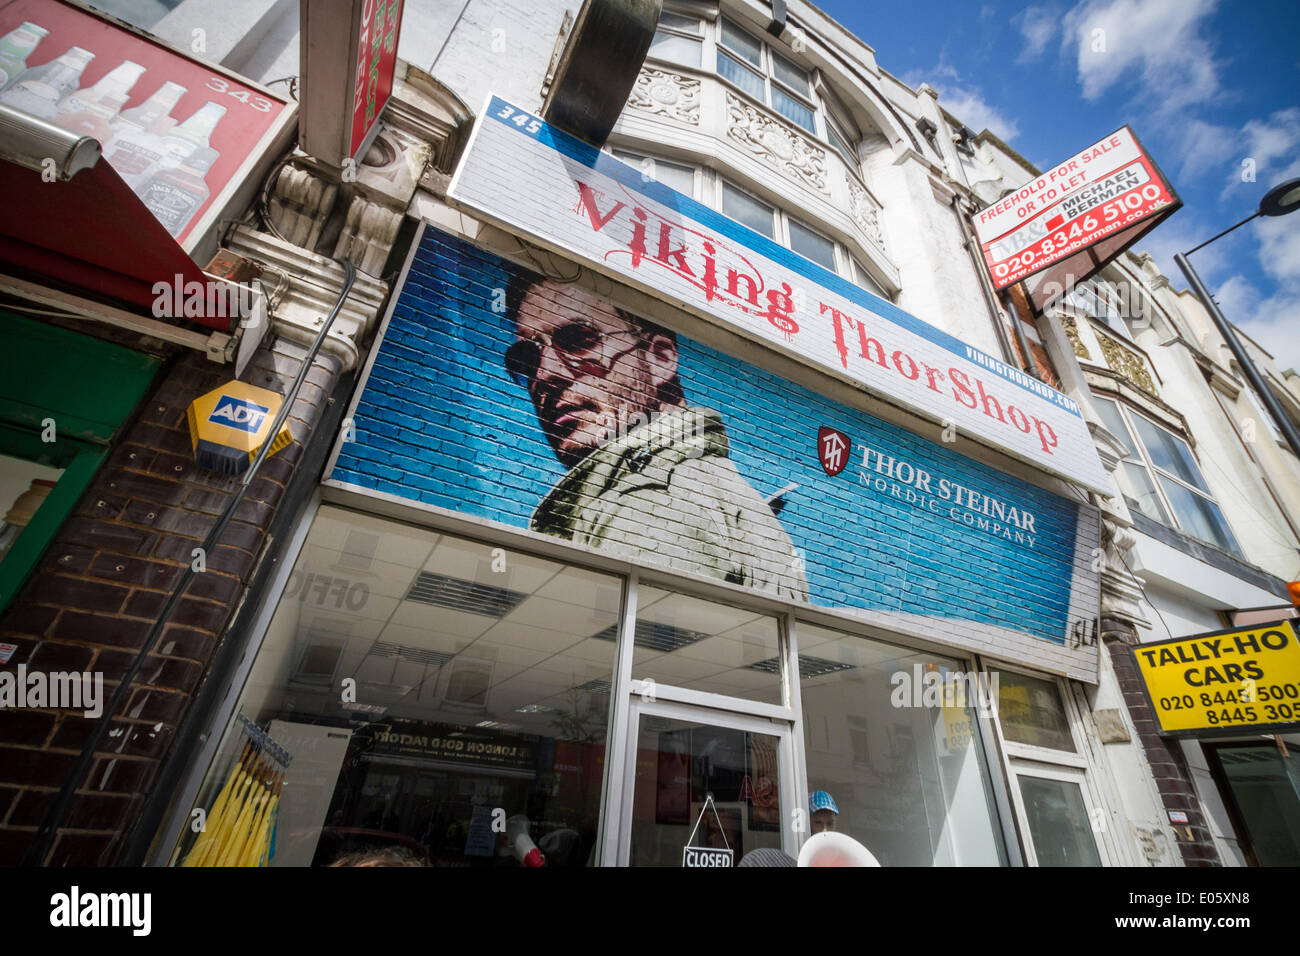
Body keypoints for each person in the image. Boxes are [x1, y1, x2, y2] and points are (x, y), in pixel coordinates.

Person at [503, 268, 808, 601]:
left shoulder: (649, 500)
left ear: (660, 358)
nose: (545, 375)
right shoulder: (709, 487)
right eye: (528, 360)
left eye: (578, 341)